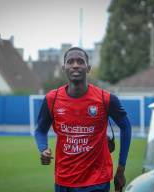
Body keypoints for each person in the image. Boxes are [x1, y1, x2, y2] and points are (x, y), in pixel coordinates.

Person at [34, 47, 131, 192]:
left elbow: (126, 127)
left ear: (88, 68)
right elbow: (40, 131)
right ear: (63, 68)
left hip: (97, 181)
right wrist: (43, 148)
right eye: (70, 62)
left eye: (80, 61)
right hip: (63, 181)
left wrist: (121, 168)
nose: (75, 65)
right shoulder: (52, 99)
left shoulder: (105, 99)